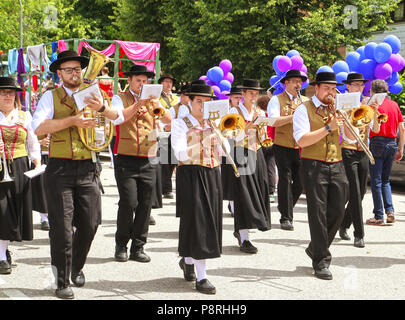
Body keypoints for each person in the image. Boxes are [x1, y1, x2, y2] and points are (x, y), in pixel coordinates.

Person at [32, 50, 119, 299]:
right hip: (60, 168)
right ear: (59, 74)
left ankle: (76, 265)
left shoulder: (91, 93)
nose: (74, 74)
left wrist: (102, 108)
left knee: (91, 223)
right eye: (69, 70)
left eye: (77, 70)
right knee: (61, 228)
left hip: (88, 166)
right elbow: (38, 127)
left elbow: (115, 117)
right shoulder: (50, 97)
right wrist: (73, 121)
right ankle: (62, 280)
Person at [293, 71, 354, 280]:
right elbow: (302, 140)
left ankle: (315, 248)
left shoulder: (338, 110)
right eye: (327, 88)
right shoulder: (303, 109)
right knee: (317, 214)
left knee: (337, 211)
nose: (331, 92)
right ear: (316, 88)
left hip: (337, 164)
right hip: (313, 165)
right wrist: (329, 127)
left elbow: (348, 139)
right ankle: (321, 261)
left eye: (333, 88)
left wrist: (348, 125)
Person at [111, 64, 171, 264]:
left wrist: (157, 105)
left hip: (149, 156)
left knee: (146, 204)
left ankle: (138, 246)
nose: (141, 84)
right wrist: (139, 104)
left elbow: (170, 121)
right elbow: (118, 118)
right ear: (129, 81)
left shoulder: (155, 100)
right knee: (128, 202)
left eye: (145, 81)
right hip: (125, 157)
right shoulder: (120, 98)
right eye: (138, 80)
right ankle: (121, 245)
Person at [171, 82, 226, 294]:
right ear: (191, 102)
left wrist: (219, 135)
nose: (203, 106)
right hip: (191, 174)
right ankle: (202, 277)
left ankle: (187, 260)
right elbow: (179, 154)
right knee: (196, 222)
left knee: (207, 221)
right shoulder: (180, 123)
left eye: (207, 102)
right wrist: (203, 141)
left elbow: (226, 150)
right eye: (199, 102)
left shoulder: (213, 124)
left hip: (212, 173)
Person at [0, 76, 41, 275]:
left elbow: (33, 142)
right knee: (3, 211)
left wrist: (37, 161)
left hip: (19, 165)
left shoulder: (24, 115)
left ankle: (4, 249)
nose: (8, 96)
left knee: (15, 210)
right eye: (3, 92)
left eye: (10, 93)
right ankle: (1, 255)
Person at [338, 73, 380, 247]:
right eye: (355, 85)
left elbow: (376, 129)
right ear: (348, 87)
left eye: (361, 85)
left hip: (363, 151)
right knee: (354, 192)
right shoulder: (342, 105)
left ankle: (343, 224)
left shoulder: (366, 105)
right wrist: (353, 113)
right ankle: (359, 234)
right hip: (348, 151)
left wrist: (375, 112)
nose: (359, 88)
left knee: (361, 193)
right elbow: (348, 135)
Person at [229, 79, 271, 254]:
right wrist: (248, 128)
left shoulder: (259, 111)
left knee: (261, 187)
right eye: (251, 93)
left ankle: (255, 224)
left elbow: (262, 134)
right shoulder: (234, 111)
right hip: (240, 153)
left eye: (256, 93)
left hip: (257, 151)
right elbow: (232, 136)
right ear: (243, 94)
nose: (254, 96)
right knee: (243, 194)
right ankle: (244, 236)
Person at [267, 69, 309, 230]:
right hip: (282, 145)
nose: (299, 84)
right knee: (285, 179)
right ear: (286, 83)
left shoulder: (305, 100)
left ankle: (286, 207)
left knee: (300, 181)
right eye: (295, 81)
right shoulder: (276, 100)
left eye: (300, 82)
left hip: (301, 145)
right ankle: (286, 217)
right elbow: (273, 121)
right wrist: (294, 116)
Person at [366, 80, 404, 225]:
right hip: (392, 143)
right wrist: (400, 148)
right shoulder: (394, 105)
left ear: (373, 92)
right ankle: (390, 211)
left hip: (377, 142)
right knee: (385, 180)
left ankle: (378, 215)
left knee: (376, 181)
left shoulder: (373, 104)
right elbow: (402, 129)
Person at [222, 86, 244, 215]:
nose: (239, 100)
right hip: (229, 144)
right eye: (236, 97)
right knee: (231, 176)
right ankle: (232, 204)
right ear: (230, 97)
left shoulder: (244, 110)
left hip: (241, 145)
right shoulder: (227, 110)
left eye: (241, 98)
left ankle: (238, 204)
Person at [158, 74, 179, 199]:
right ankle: (166, 188)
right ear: (161, 83)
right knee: (165, 161)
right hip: (164, 132)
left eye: (170, 82)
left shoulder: (176, 99)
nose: (168, 84)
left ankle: (166, 186)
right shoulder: (157, 98)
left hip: (175, 132)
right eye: (166, 82)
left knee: (173, 161)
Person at [256, 94, 277, 203]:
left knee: (261, 167)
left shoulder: (260, 114)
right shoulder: (273, 114)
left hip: (261, 143)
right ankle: (271, 193)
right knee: (271, 167)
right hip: (272, 142)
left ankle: (261, 190)